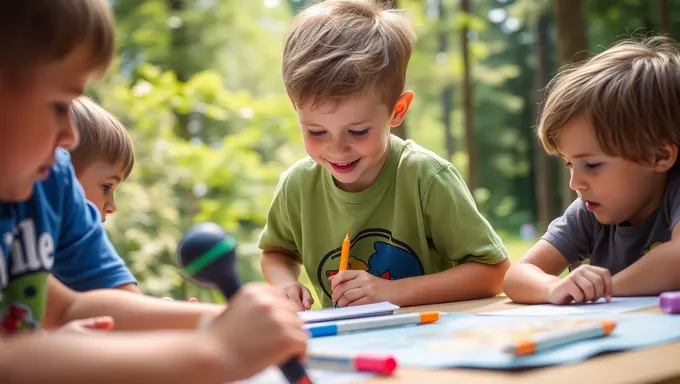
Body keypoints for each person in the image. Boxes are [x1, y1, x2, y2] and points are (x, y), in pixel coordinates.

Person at [0, 1, 306, 382]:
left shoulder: (47, 175)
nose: (70, 136)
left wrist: (226, 320)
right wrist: (215, 350)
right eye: (59, 105)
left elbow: (67, 309)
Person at [258, 0, 509, 310]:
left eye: (358, 131)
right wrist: (285, 285)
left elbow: (494, 273)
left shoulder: (424, 177)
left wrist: (391, 292)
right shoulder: (298, 186)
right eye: (316, 132)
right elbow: (276, 253)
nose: (337, 149)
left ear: (397, 111)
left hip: (429, 343)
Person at [503, 36, 680, 305]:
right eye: (569, 164)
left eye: (592, 165)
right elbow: (516, 276)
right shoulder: (588, 211)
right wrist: (554, 287)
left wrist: (604, 290)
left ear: (659, 156)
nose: (576, 183)